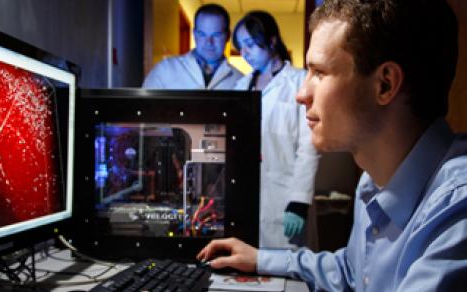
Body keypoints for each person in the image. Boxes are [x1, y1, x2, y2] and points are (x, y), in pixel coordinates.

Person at [197, 0, 466, 290]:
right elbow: (351, 271)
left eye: (320, 73)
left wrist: (297, 202)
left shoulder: (455, 210)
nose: (301, 94)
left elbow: (305, 151)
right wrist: (261, 259)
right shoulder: (373, 182)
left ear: (385, 85)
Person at [232, 11, 319, 249]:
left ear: (271, 40)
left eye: (250, 44)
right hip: (248, 194)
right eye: (241, 46)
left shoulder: (299, 82)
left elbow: (309, 146)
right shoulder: (241, 85)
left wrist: (299, 201)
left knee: (288, 273)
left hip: (286, 196)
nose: (244, 53)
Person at [142, 4, 242, 89]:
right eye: (202, 34)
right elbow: (143, 106)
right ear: (194, 34)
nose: (209, 42)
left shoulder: (240, 81)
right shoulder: (165, 69)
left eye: (216, 35)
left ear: (228, 36)